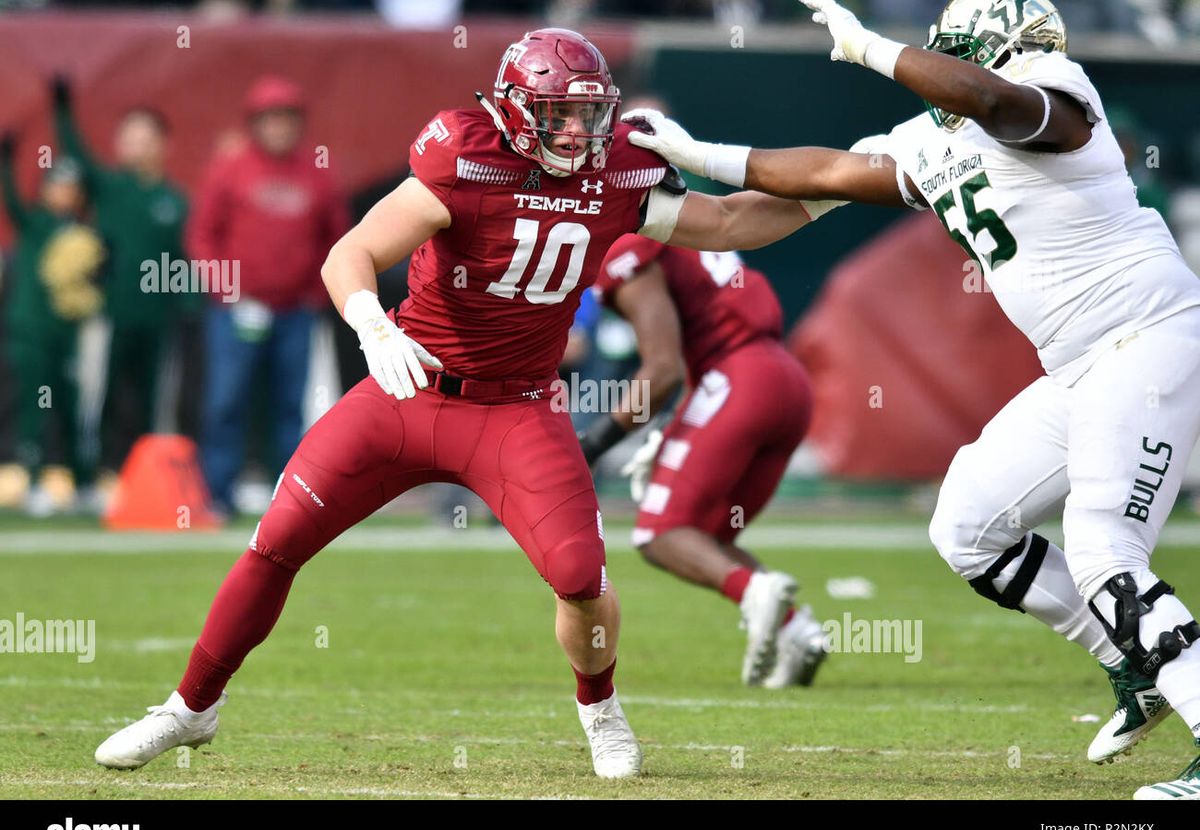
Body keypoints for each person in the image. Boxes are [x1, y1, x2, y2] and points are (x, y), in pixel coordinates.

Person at [92, 28, 847, 779]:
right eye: (561, 114)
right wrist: (372, 323)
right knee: (277, 537)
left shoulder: (616, 174)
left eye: (591, 115)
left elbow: (733, 221)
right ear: (516, 109)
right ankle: (190, 708)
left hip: (515, 409)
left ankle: (600, 707)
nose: (580, 133)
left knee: (581, 576)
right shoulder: (465, 156)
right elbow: (348, 254)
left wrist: (843, 189)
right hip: (409, 390)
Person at [627, 0, 1200, 799]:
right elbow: (770, 202)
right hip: (1080, 365)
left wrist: (869, 49)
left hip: (1149, 335)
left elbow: (995, 102)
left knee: (1104, 545)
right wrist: (672, 181)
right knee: (967, 524)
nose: (1028, 58)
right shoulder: (926, 146)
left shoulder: (1051, 91)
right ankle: (1132, 665)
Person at [583, 235, 827, 687]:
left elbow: (662, 370)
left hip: (737, 380)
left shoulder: (625, 243)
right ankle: (798, 631)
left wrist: (592, 444)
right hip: (782, 378)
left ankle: (755, 591)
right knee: (706, 536)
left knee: (660, 534)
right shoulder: (682, 216)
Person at [187, 75, 350, 515]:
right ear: (254, 123)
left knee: (289, 406)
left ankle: (289, 499)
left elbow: (339, 240)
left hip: (294, 312)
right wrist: (230, 292)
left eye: (286, 119)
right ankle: (217, 495)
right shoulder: (230, 168)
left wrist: (316, 295)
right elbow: (203, 236)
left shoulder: (318, 173)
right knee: (226, 401)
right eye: (270, 119)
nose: (279, 128)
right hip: (237, 310)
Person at [52, 78, 191, 484]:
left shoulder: (174, 200)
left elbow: (182, 260)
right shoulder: (111, 188)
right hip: (111, 312)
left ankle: (142, 478)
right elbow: (75, 152)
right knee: (104, 391)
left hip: (156, 317)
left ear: (161, 143)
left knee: (150, 398)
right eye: (127, 136)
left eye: (142, 137)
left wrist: (187, 302)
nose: (133, 144)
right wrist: (62, 110)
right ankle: (93, 473)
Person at [1, 135, 106, 513]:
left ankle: (82, 483)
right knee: (34, 409)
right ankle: (32, 483)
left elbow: (93, 283)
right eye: (58, 186)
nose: (64, 194)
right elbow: (12, 201)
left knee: (71, 407)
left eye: (71, 188)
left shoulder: (84, 233)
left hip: (67, 338)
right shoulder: (35, 224)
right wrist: (7, 164)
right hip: (31, 336)